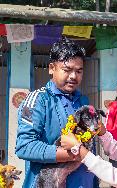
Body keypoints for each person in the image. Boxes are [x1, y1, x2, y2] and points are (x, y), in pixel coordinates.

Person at [15, 37, 96, 188]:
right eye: (67, 70)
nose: (73, 76)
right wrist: (75, 154)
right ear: (52, 68)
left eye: (79, 71)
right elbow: (24, 146)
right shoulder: (38, 100)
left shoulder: (83, 101)